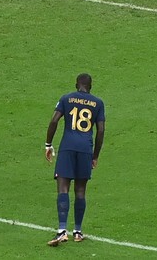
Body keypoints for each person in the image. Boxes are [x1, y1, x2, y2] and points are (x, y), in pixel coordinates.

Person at [44, 73, 106, 246]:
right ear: (90, 86)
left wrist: (48, 144)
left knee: (63, 188)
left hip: (68, 147)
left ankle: (62, 231)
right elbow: (101, 130)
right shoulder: (98, 103)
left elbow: (54, 120)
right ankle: (77, 232)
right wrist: (95, 155)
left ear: (76, 84)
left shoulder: (67, 98)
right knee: (80, 190)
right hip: (85, 149)